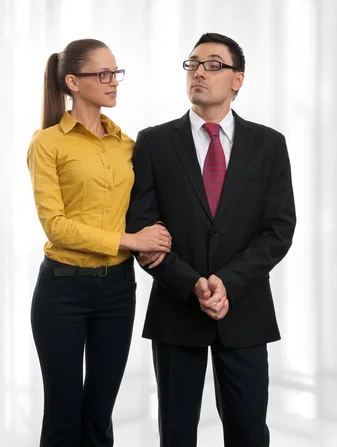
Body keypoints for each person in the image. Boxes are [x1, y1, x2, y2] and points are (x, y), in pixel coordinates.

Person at [126, 32, 296, 446]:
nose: (199, 71)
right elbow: (142, 229)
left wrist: (228, 283)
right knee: (177, 433)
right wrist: (193, 284)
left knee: (249, 433)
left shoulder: (269, 144)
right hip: (176, 306)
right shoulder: (154, 142)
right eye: (193, 63)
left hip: (244, 308)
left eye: (213, 64)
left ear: (238, 79)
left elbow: (279, 229)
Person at [27, 38, 172, 447]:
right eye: (102, 74)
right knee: (63, 412)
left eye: (116, 73)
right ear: (73, 82)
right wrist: (130, 239)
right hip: (62, 290)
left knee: (100, 415)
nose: (113, 82)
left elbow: (145, 208)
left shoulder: (128, 146)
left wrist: (155, 236)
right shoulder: (48, 143)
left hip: (117, 291)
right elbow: (56, 226)